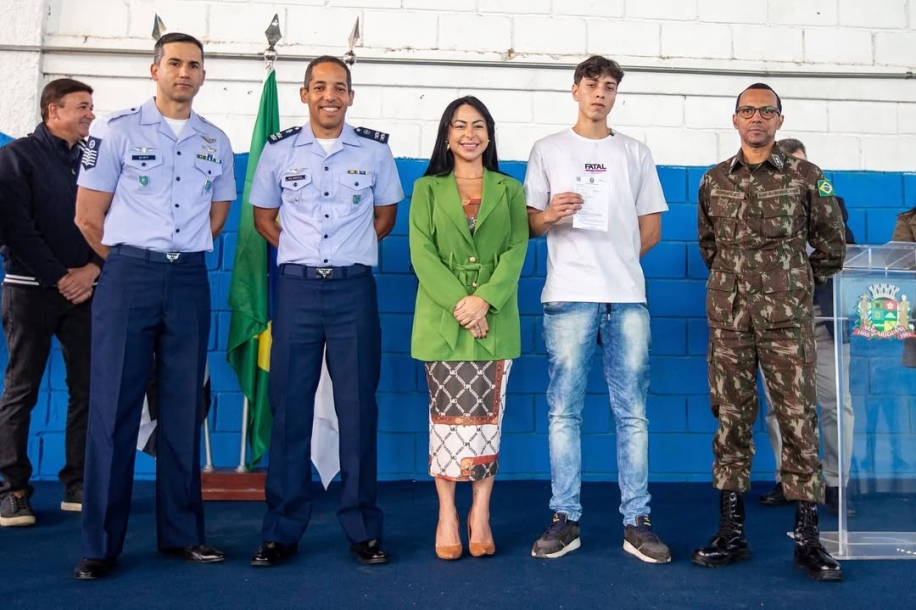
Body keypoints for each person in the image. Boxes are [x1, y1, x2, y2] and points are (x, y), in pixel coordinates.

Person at [72, 32, 236, 580]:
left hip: (187, 278)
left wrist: (173, 257)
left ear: (202, 75)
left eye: (194, 65)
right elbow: (89, 216)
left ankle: (182, 534)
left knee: (184, 408)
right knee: (113, 411)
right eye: (174, 63)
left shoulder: (216, 140)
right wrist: (130, 261)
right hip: (129, 277)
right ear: (155, 69)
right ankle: (100, 544)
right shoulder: (114, 130)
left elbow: (216, 216)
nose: (184, 72)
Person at [247, 55, 403, 567]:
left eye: (339, 87)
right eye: (319, 87)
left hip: (353, 292)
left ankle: (362, 528)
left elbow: (384, 216)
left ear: (351, 97)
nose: (329, 95)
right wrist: (305, 253)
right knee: (289, 408)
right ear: (304, 94)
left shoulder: (376, 152)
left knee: (358, 408)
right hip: (295, 291)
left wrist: (345, 254)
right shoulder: (278, 151)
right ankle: (281, 531)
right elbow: (265, 218)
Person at [692, 83, 846, 581]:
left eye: (766, 111)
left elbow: (830, 248)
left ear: (779, 121)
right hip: (731, 323)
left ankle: (808, 540)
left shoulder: (807, 177)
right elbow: (709, 247)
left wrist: (792, 290)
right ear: (735, 120)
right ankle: (731, 533)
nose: (756, 118)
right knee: (731, 420)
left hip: (786, 324)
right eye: (747, 111)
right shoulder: (714, 181)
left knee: (798, 420)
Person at [525, 56, 671, 564]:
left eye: (609, 86)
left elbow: (649, 228)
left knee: (632, 413)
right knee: (564, 411)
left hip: (627, 297)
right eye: (592, 84)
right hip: (567, 296)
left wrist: (618, 264)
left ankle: (637, 521)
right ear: (575, 90)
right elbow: (529, 226)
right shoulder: (547, 149)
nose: (600, 93)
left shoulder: (635, 152)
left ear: (615, 95)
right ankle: (565, 518)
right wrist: (549, 214)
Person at [409, 96, 528, 560]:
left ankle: (480, 512)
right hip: (442, 322)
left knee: (487, 422)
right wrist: (462, 304)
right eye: (459, 125)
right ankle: (447, 514)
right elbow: (422, 253)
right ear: (446, 135)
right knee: (445, 422)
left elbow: (517, 249)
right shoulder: (426, 189)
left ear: (489, 134)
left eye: (478, 125)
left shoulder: (509, 189)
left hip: (495, 321)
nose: (469, 133)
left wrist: (485, 301)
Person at [0, 79, 100, 526]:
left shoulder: (96, 159)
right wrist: (60, 277)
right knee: (22, 390)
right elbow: (16, 228)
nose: (90, 115)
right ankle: (13, 489)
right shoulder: (15, 158)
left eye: (91, 108)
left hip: (86, 290)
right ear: (52, 111)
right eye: (82, 107)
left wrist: (93, 270)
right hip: (28, 291)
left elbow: (115, 218)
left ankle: (78, 483)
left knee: (88, 388)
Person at [758, 138, 856, 516]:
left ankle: (834, 483)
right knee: (776, 408)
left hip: (824, 320)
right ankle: (789, 479)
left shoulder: (834, 204)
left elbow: (845, 247)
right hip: (778, 321)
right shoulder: (762, 209)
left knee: (835, 405)